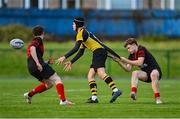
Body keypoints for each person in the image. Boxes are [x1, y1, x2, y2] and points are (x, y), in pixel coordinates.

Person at [56, 17, 122, 103]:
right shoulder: (84, 33)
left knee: (101, 73)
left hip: (99, 52)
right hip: (99, 52)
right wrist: (71, 61)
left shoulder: (81, 33)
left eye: (73, 24)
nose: (72, 25)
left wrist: (64, 57)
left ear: (77, 25)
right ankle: (94, 98)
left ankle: (116, 90)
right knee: (90, 75)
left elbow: (75, 48)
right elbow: (80, 52)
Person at [24, 25, 73, 105]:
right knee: (57, 79)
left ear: (33, 34)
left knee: (49, 84)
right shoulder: (38, 39)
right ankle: (63, 101)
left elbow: (33, 54)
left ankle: (29, 95)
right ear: (43, 33)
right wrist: (38, 63)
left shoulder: (34, 40)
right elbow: (32, 48)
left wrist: (46, 62)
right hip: (37, 66)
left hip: (31, 68)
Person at [113, 38, 162, 104]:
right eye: (127, 49)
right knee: (135, 73)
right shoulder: (132, 55)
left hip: (155, 71)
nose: (128, 50)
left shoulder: (141, 49)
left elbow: (140, 63)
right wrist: (119, 61)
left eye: (129, 48)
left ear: (134, 45)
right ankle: (133, 92)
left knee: (153, 74)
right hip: (146, 75)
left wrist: (125, 60)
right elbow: (128, 69)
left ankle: (158, 99)